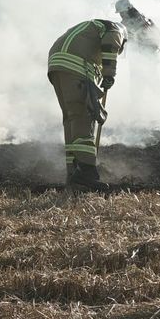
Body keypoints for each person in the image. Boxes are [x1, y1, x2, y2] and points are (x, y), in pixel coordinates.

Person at [47, 19, 127, 192]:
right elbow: (109, 45)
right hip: (77, 66)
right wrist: (109, 74)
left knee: (71, 119)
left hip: (57, 65)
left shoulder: (91, 28)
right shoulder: (117, 29)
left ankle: (73, 172)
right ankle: (87, 172)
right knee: (84, 117)